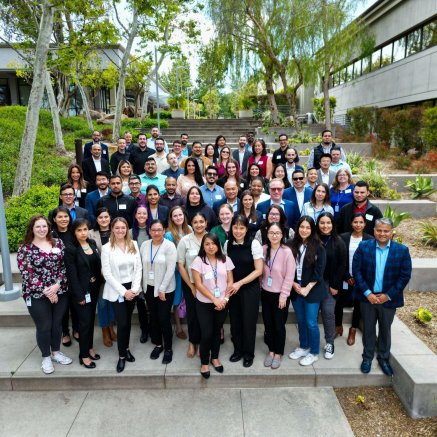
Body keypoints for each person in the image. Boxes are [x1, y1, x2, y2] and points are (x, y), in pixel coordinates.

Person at [353, 218, 412, 376]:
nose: (382, 233)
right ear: (374, 231)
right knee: (368, 329)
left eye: (386, 231)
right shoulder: (364, 247)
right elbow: (356, 271)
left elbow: (404, 276)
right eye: (379, 230)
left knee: (385, 329)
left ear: (392, 232)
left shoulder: (402, 250)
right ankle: (367, 357)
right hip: (368, 298)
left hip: (388, 300)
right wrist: (368, 293)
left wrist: (388, 295)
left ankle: (383, 358)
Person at [17, 215, 72, 374]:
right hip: (36, 294)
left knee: (57, 324)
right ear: (32, 229)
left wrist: (56, 286)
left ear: (49, 227)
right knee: (44, 326)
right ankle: (46, 357)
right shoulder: (25, 248)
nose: (42, 229)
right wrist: (46, 291)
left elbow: (63, 267)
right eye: (38, 227)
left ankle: (56, 352)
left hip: (59, 291)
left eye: (44, 226)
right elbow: (27, 273)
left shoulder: (58, 243)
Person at [101, 217, 142, 373]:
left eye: (123, 228)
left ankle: (125, 348)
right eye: (117, 228)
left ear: (127, 229)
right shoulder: (106, 248)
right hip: (117, 290)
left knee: (128, 322)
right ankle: (122, 356)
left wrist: (134, 289)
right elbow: (107, 274)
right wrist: (124, 292)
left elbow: (138, 268)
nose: (120, 231)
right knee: (123, 322)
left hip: (132, 288)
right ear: (112, 229)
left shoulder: (134, 245)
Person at [191, 233, 234, 378]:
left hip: (222, 303)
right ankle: (204, 362)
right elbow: (198, 284)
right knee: (207, 333)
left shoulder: (225, 259)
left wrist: (225, 299)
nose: (211, 247)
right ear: (203, 246)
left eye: (213, 243)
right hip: (204, 303)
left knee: (217, 331)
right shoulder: (198, 261)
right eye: (207, 244)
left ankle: (214, 358)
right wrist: (214, 299)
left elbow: (230, 281)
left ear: (218, 245)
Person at [224, 215, 264, 367]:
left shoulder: (253, 244)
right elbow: (227, 267)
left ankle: (248, 353)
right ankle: (238, 350)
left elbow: (259, 270)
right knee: (235, 321)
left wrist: (239, 283)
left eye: (241, 228)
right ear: (231, 228)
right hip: (233, 288)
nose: (238, 231)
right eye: (235, 227)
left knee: (248, 321)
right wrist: (230, 284)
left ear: (247, 229)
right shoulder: (228, 244)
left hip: (249, 288)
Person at [288, 216, 326, 366]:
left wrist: (307, 288)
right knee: (301, 320)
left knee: (311, 322)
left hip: (312, 290)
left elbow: (319, 271)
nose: (304, 230)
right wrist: (293, 284)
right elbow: (286, 267)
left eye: (308, 228)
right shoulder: (290, 245)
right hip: (296, 289)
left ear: (312, 230)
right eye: (301, 227)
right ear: (297, 228)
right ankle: (304, 346)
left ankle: (314, 352)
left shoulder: (319, 247)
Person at [64, 219, 102, 369]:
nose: (83, 233)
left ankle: (89, 348)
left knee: (90, 320)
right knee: (84, 324)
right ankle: (84, 356)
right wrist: (79, 295)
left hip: (93, 289)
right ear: (74, 232)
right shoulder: (71, 249)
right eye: (79, 230)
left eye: (85, 229)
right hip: (81, 292)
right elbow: (71, 275)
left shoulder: (92, 243)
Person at [140, 219, 177, 364]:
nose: (156, 233)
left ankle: (168, 348)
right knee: (153, 317)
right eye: (153, 230)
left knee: (164, 318)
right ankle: (158, 344)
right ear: (149, 231)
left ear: (164, 231)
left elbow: (170, 270)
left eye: (159, 230)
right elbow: (141, 267)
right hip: (149, 287)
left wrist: (162, 289)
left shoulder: (169, 246)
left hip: (165, 289)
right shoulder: (144, 245)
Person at [261, 222, 295, 369]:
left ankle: (278, 353)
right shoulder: (263, 249)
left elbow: (289, 276)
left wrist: (284, 295)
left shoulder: (287, 252)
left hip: (280, 295)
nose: (274, 236)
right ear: (267, 234)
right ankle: (271, 350)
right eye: (271, 233)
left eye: (277, 233)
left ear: (282, 235)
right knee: (268, 324)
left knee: (278, 325)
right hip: (266, 292)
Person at [336, 213, 373, 346]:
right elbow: (340, 259)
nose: (358, 225)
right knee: (339, 302)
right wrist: (347, 276)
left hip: (361, 279)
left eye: (361, 222)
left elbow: (369, 262)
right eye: (355, 222)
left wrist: (359, 278)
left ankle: (353, 330)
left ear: (365, 224)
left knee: (358, 305)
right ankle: (338, 326)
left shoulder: (369, 240)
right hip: (344, 276)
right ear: (351, 223)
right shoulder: (343, 237)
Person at [316, 212, 347, 360]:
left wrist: (335, 285)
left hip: (330, 284)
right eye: (322, 223)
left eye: (328, 223)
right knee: (312, 315)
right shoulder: (312, 240)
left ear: (333, 224)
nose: (325, 226)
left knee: (328, 312)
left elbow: (342, 266)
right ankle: (312, 342)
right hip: (314, 283)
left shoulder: (339, 242)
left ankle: (329, 342)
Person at [177, 212, 207, 358]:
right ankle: (192, 342)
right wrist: (191, 286)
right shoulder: (185, 240)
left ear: (206, 223)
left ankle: (202, 343)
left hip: (208, 285)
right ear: (191, 224)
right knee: (193, 315)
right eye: (195, 222)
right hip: (191, 284)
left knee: (205, 315)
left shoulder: (211, 239)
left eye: (201, 221)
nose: (199, 225)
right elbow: (181, 265)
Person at [88, 207, 117, 348]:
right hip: (99, 276)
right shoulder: (90, 234)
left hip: (115, 275)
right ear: (97, 219)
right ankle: (105, 330)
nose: (104, 220)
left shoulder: (116, 231)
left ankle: (111, 327)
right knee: (102, 303)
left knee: (112, 303)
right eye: (101, 217)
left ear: (110, 217)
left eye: (106, 217)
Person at [51, 207, 77, 347]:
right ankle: (65, 332)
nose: (63, 219)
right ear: (54, 219)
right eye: (60, 217)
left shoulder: (74, 233)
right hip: (58, 278)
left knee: (76, 304)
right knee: (62, 307)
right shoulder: (51, 236)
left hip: (74, 275)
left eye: (65, 216)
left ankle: (76, 329)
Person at [164, 206, 192, 340]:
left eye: (180, 215)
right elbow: (170, 257)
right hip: (177, 271)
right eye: (175, 216)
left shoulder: (190, 229)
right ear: (171, 218)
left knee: (190, 298)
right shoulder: (169, 235)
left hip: (191, 271)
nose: (178, 218)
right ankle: (179, 327)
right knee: (177, 299)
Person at [130, 206, 151, 343]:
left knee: (152, 303)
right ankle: (144, 330)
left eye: (144, 213)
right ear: (135, 215)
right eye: (139, 213)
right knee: (141, 304)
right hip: (136, 273)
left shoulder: (152, 230)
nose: (142, 215)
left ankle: (155, 327)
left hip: (151, 272)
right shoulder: (130, 233)